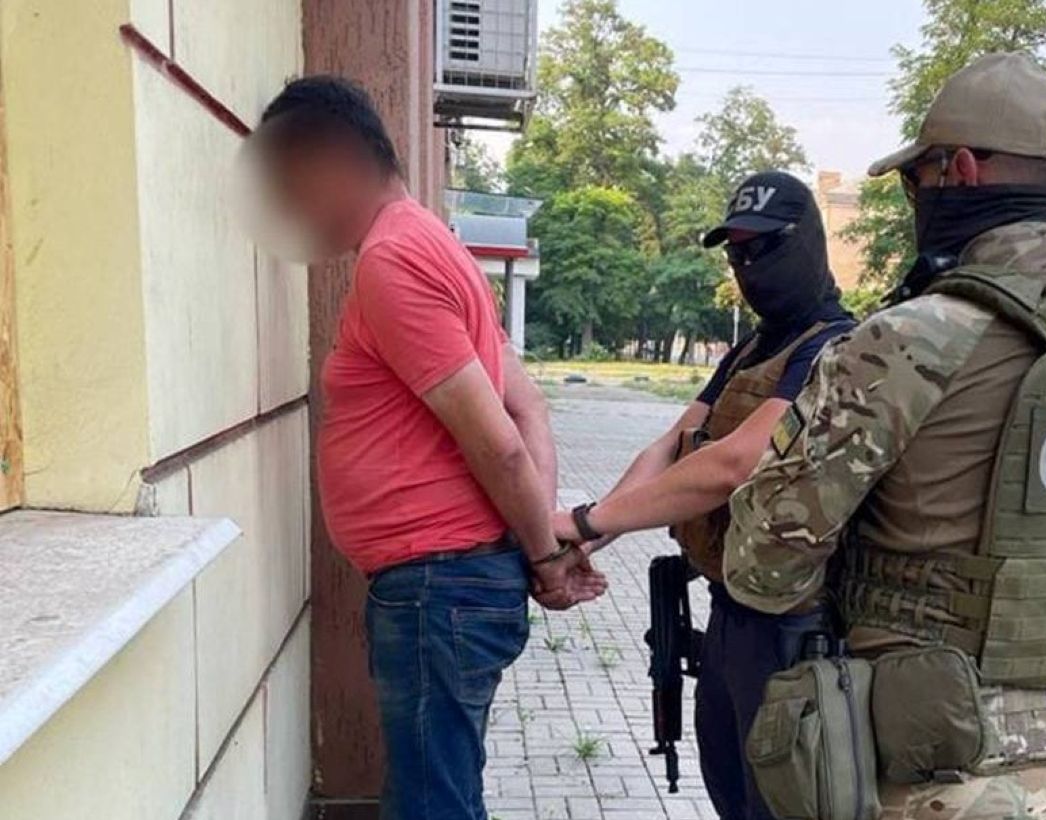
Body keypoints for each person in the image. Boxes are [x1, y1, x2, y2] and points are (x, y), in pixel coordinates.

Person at [724, 53, 1046, 820]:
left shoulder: (912, 340)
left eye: (917, 179)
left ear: (963, 169)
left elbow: (764, 563)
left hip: (929, 774)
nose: (918, 197)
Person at [246, 76, 605, 820]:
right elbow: (527, 407)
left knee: (431, 805)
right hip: (453, 586)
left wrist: (544, 556)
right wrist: (536, 543)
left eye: (293, 187)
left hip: (438, 588)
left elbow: (501, 443)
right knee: (444, 793)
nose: (290, 212)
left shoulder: (393, 261)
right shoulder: (434, 242)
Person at [553, 171, 856, 820]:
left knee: (779, 803)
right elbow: (674, 444)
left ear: (806, 243)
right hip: (731, 612)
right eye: (736, 253)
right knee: (730, 791)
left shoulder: (835, 346)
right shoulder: (753, 348)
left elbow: (736, 461)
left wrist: (585, 520)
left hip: (795, 625)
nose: (747, 266)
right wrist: (589, 537)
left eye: (763, 248)